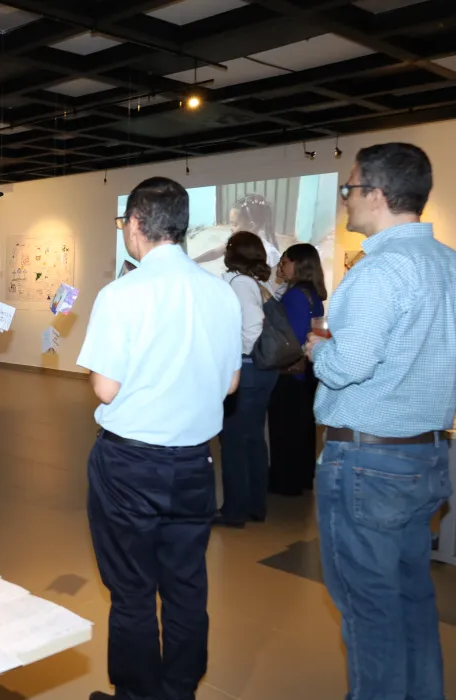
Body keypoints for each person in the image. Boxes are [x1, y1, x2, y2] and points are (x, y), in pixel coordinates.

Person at [79, 177, 241, 700]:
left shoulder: (122, 293)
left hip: (129, 466)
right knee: (187, 587)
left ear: (136, 226)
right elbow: (231, 382)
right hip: (195, 464)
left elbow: (105, 390)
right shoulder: (220, 292)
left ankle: (136, 694)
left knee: (131, 592)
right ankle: (178, 691)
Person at [305, 143, 455, 700]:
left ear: (377, 194)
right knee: (412, 599)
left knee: (368, 612)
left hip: (367, 463)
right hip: (427, 457)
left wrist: (317, 349)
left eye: (348, 189)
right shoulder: (449, 264)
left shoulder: (379, 272)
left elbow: (346, 367)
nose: (344, 201)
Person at [214, 231, 279, 528]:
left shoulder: (239, 283)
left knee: (234, 441)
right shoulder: (259, 282)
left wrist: (236, 354)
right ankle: (256, 504)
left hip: (248, 369)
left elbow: (253, 326)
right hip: (262, 371)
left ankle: (235, 511)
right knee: (252, 440)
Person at [267, 244, 326, 496]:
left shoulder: (293, 295)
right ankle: (301, 477)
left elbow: (289, 336)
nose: (282, 267)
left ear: (298, 264)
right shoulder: (314, 294)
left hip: (289, 371)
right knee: (302, 429)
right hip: (308, 370)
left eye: (285, 262)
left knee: (284, 429)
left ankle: (285, 481)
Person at [192, 194, 280, 271]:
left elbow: (275, 285)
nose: (231, 228)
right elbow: (215, 253)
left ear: (252, 226)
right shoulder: (236, 243)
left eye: (234, 224)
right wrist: (193, 261)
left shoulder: (270, 254)